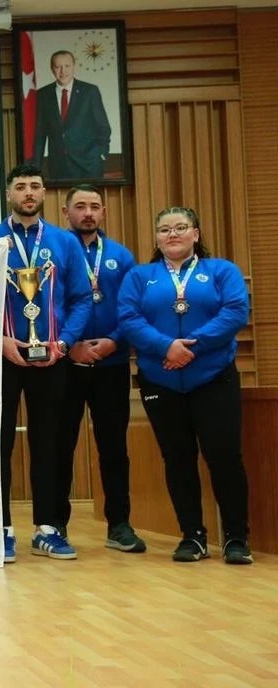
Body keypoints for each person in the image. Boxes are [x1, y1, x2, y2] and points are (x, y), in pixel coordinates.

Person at [118, 206, 252, 564]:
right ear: (157, 238)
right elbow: (129, 318)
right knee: (177, 459)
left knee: (224, 457)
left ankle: (236, 538)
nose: (172, 234)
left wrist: (190, 347)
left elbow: (235, 311)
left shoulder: (222, 270)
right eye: (165, 229)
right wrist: (166, 347)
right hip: (161, 380)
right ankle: (192, 536)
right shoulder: (139, 276)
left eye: (180, 227)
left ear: (196, 234)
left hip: (213, 377)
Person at [0, 164, 91, 563]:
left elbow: (81, 299)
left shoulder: (65, 242)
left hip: (51, 357)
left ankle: (49, 528)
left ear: (44, 193)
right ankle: (1, 528)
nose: (28, 192)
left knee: (50, 442)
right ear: (8, 193)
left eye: (35, 186)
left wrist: (65, 342)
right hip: (1, 358)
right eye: (20, 186)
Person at [55, 185, 145, 553]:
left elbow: (133, 308)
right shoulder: (55, 251)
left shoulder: (121, 256)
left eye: (94, 206)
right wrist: (69, 345)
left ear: (104, 212)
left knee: (114, 447)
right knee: (60, 445)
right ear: (66, 211)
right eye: (80, 206)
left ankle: (119, 524)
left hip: (112, 361)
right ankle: (55, 524)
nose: (88, 213)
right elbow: (48, 305)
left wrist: (113, 341)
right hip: (67, 362)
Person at [31, 50, 113, 181]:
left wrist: (102, 153)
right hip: (58, 167)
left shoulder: (90, 92)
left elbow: (103, 127)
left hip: (88, 165)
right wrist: (35, 169)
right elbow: (39, 134)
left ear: (74, 66)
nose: (63, 71)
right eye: (58, 67)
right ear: (52, 69)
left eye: (67, 66)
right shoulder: (43, 95)